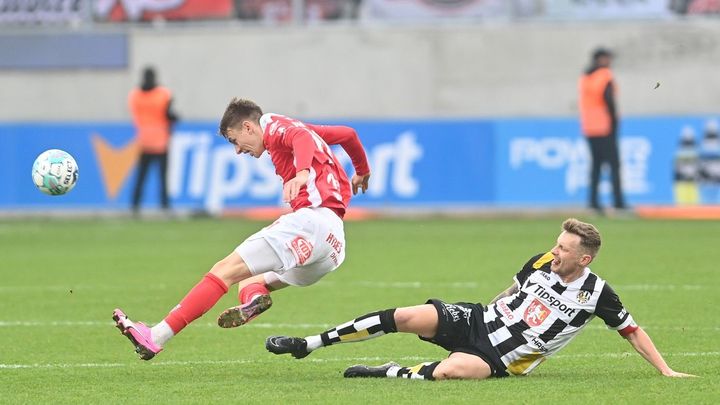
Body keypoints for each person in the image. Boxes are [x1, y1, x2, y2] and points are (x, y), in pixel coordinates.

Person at [266, 218, 695, 380]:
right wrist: (479, 311)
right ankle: (310, 344)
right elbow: (512, 289)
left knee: (455, 370)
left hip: (503, 359)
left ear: (583, 257)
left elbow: (631, 331)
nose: (555, 250)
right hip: (479, 320)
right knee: (405, 315)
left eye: (564, 248)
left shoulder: (597, 292)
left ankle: (389, 372)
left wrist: (666, 371)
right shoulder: (542, 260)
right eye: (556, 243)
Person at [113, 98, 371, 360]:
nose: (237, 150)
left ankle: (156, 336)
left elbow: (301, 137)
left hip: (311, 223)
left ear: (248, 127)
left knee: (223, 271)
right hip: (333, 245)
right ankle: (255, 299)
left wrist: (302, 173)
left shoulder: (273, 124)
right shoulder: (291, 129)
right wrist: (362, 170)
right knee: (250, 279)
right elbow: (348, 135)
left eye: (235, 141)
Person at [578, 47, 627, 213]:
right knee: (614, 165)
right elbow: (608, 99)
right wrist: (613, 121)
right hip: (605, 126)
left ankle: (593, 203)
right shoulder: (604, 75)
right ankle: (618, 204)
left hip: (589, 127)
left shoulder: (585, 77)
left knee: (596, 166)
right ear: (601, 59)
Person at [129, 66, 179, 215]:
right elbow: (169, 115)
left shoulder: (135, 95)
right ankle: (164, 205)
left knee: (141, 176)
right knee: (162, 177)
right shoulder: (163, 94)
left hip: (144, 140)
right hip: (160, 141)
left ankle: (135, 205)